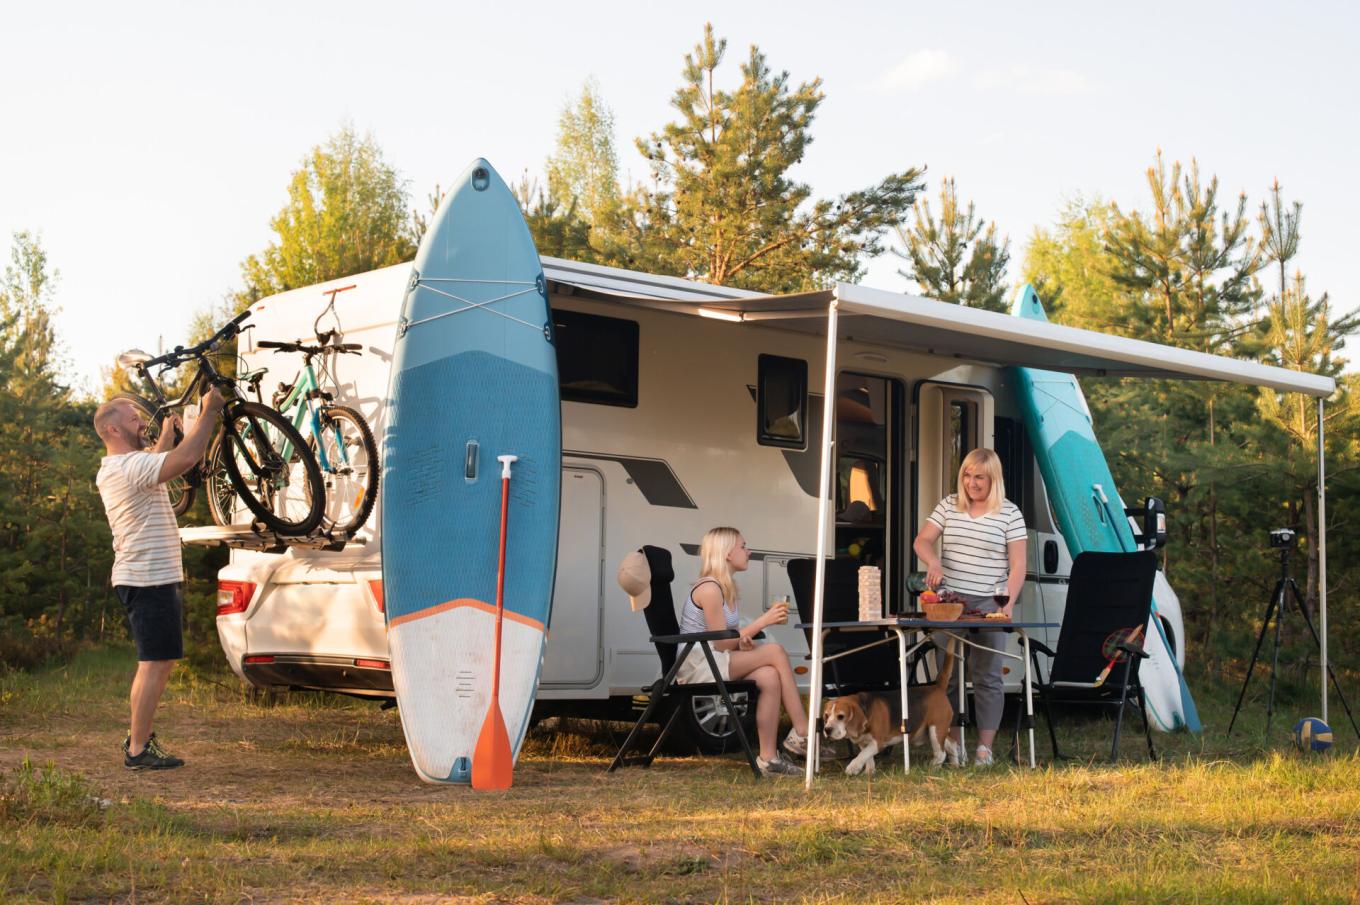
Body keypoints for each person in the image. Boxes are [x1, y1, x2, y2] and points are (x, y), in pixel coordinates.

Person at [93, 387, 224, 769]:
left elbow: (156, 460)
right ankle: (137, 749)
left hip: (150, 576)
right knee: (153, 663)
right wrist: (209, 412)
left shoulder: (125, 466)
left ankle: (140, 739)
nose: (141, 422)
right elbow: (185, 458)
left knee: (160, 661)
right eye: (133, 419)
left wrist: (164, 437)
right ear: (114, 430)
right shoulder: (126, 468)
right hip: (146, 577)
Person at [911, 448, 1026, 766]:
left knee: (987, 675)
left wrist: (1008, 603)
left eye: (979, 476)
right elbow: (921, 541)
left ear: (993, 479)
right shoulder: (948, 505)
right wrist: (933, 560)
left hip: (990, 602)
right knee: (949, 675)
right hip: (950, 603)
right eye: (967, 474)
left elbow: (1018, 565)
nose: (972, 482)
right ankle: (954, 746)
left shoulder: (1010, 514)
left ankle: (984, 750)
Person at [678, 527, 811, 777]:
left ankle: (768, 759)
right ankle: (801, 731)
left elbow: (727, 642)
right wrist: (763, 621)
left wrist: (743, 643)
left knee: (770, 676)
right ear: (727, 553)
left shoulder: (726, 588)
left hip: (715, 658)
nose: (748, 552)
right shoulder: (709, 589)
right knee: (776, 651)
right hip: (698, 664)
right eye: (743, 546)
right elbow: (720, 643)